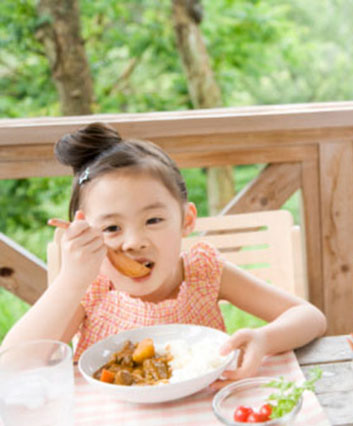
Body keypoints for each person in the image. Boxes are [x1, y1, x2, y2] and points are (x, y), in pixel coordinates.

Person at [2, 122, 326, 379]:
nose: (134, 242)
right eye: (112, 228)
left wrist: (264, 339)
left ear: (186, 220)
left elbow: (310, 317)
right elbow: (12, 366)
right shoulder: (91, 289)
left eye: (153, 220)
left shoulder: (203, 273)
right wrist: (71, 281)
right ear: (85, 232)